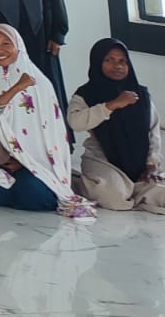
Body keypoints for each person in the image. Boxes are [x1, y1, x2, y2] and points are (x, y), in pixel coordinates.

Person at [0, 24, 94, 219]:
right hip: (0, 162)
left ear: (18, 46)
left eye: (6, 43)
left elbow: (52, 131)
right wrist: (16, 88)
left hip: (35, 162)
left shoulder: (40, 83)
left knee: (36, 194)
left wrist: (23, 160)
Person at [69, 39, 165, 214]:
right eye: (109, 60)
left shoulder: (140, 95)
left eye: (123, 61)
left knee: (158, 194)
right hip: (101, 160)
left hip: (139, 164)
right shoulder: (86, 94)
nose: (117, 66)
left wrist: (151, 163)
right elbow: (75, 122)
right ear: (97, 62)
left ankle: (132, 190)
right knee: (115, 198)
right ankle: (77, 181)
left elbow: (153, 131)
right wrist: (111, 105)